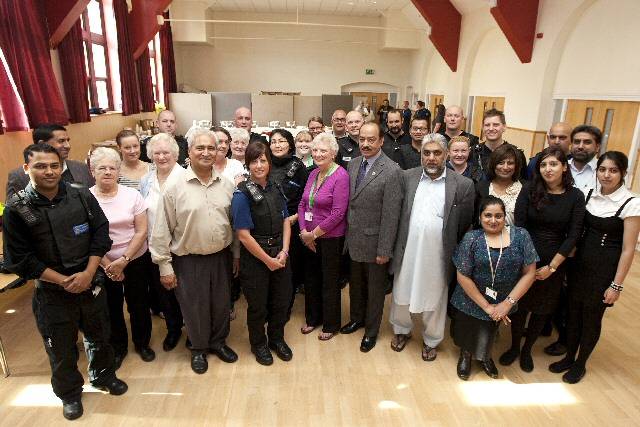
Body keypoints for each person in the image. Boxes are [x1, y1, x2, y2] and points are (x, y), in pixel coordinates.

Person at [2, 144, 127, 420]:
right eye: (40, 166)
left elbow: (101, 234)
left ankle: (104, 377)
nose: (49, 171)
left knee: (100, 337)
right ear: (26, 169)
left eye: (54, 166)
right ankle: (70, 394)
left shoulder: (82, 195)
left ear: (62, 167)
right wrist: (64, 281)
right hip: (52, 292)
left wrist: (87, 273)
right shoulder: (16, 209)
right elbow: (21, 259)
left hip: (89, 280)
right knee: (60, 348)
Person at [150, 128, 239, 374]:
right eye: (200, 148)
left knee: (221, 305)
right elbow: (161, 229)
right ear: (189, 152)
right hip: (188, 259)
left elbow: (234, 223)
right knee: (194, 306)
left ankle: (218, 343)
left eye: (212, 148)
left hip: (221, 256)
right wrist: (164, 266)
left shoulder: (227, 184)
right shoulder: (174, 187)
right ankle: (199, 348)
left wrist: (236, 255)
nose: (206, 152)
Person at [549, 151, 640, 383]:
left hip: (604, 269)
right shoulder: (588, 194)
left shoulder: (631, 203)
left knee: (591, 318)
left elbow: (628, 249)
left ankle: (580, 363)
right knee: (572, 313)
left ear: (623, 173)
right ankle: (569, 356)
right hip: (579, 265)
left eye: (613, 170)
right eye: (602, 169)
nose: (606, 175)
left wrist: (616, 285)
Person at [389, 133, 475, 361]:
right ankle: (401, 330)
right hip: (407, 250)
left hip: (439, 254)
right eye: (426, 153)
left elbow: (464, 224)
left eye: (437, 153)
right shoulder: (407, 177)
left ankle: (431, 339)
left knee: (435, 296)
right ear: (421, 154)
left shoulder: (463, 185)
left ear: (446, 155)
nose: (431, 158)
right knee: (401, 291)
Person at [500, 147, 585, 372]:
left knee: (541, 309)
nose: (548, 169)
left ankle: (528, 350)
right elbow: (519, 226)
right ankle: (515, 346)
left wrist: (552, 266)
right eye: (544, 164)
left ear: (564, 167)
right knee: (520, 307)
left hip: (555, 261)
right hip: (526, 256)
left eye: (554, 164)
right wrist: (528, 264)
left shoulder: (575, 196)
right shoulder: (529, 189)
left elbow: (574, 235)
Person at [451, 196, 538, 380]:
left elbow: (530, 272)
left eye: (498, 216)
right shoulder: (471, 238)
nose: (493, 220)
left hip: (503, 300)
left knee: (490, 331)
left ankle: (484, 357)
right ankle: (465, 355)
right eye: (487, 215)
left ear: (505, 217)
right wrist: (487, 306)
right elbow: (462, 275)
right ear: (480, 217)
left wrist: (507, 303)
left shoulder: (521, 236)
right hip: (471, 297)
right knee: (468, 328)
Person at [89, 148, 154, 367]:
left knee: (139, 304)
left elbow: (141, 231)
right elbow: (87, 237)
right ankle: (118, 347)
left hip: (135, 258)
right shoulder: (85, 198)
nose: (108, 172)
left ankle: (142, 343)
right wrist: (108, 264)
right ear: (92, 171)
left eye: (112, 168)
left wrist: (124, 260)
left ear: (119, 171)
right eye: (102, 168)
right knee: (111, 307)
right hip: (102, 262)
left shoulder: (132, 195)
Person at [341, 122, 402, 352]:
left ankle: (371, 331)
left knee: (375, 291)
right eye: (362, 139)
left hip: (376, 243)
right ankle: (357, 318)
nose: (365, 144)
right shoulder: (354, 164)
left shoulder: (392, 170)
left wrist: (385, 249)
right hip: (354, 239)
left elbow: (391, 215)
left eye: (371, 140)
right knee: (356, 286)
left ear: (381, 141)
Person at [232, 141, 293, 366]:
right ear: (248, 164)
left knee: (281, 301)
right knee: (258, 306)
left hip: (280, 254)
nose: (259, 165)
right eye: (254, 161)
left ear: (269, 162)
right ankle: (259, 343)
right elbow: (244, 236)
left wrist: (285, 252)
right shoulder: (242, 195)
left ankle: (277, 339)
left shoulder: (276, 187)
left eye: (263, 160)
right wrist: (267, 260)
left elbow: (286, 219)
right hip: (256, 258)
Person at [298, 132, 350, 340]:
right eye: (315, 150)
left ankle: (330, 324)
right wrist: (304, 231)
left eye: (323, 151)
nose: (318, 154)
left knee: (329, 282)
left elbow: (338, 213)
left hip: (330, 238)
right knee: (311, 279)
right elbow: (303, 204)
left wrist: (313, 235)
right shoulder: (313, 173)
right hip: (308, 236)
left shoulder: (341, 176)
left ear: (333, 153)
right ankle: (313, 319)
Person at [139, 133, 186, 352]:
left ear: (175, 154)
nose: (161, 157)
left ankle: (193, 330)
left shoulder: (185, 178)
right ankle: (173, 329)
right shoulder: (146, 180)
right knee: (163, 292)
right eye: (156, 153)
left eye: (166, 152)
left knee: (185, 292)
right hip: (154, 246)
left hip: (181, 245)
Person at [269, 129, 309, 300]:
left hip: (292, 223)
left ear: (290, 144)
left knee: (288, 269)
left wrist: (294, 218)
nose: (277, 145)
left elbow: (306, 199)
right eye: (273, 141)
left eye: (282, 141)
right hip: (268, 224)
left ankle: (286, 304)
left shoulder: (298, 167)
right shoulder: (264, 163)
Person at [6, 123, 94, 199]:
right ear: (42, 144)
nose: (67, 146)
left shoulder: (81, 168)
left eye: (67, 140)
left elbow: (93, 198)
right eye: (61, 141)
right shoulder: (19, 176)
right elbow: (14, 211)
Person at [474, 144, 525, 226]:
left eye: (510, 163)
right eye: (500, 163)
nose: (505, 167)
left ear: (516, 166)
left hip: (516, 237)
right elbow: (475, 220)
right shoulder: (480, 188)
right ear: (493, 165)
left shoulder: (525, 188)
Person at [473, 109, 527, 180]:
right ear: (483, 128)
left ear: (504, 127)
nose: (491, 128)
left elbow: (523, 181)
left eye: (496, 125)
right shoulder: (473, 151)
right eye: (487, 125)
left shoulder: (516, 153)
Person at [569, 125, 601, 194]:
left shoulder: (604, 171)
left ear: (597, 147)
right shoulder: (561, 167)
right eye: (577, 142)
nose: (580, 147)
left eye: (587, 142)